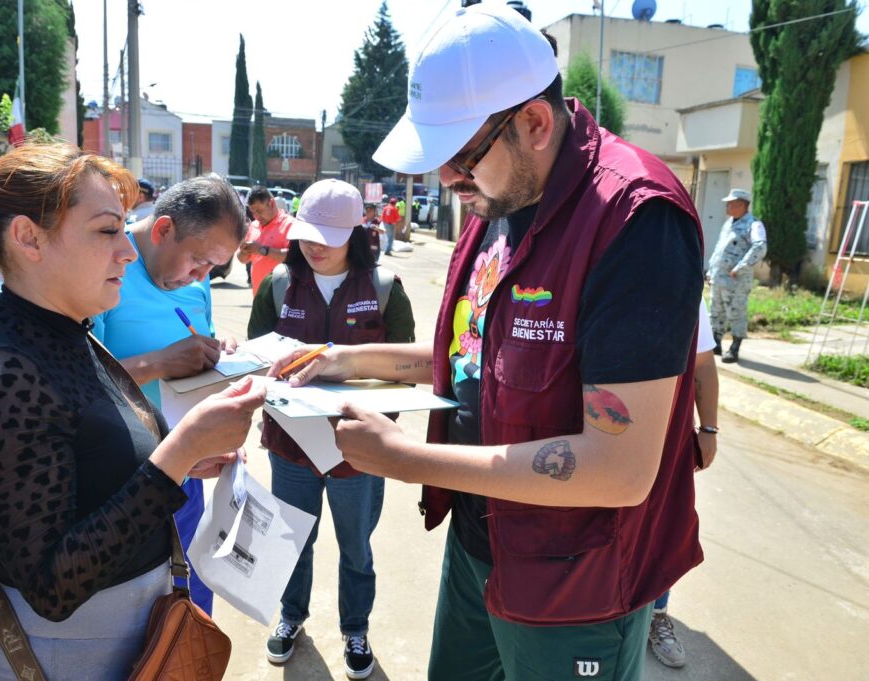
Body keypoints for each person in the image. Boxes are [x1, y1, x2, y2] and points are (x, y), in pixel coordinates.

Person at [270, 6, 705, 680]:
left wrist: (405, 459)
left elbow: (620, 466)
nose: (447, 179)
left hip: (575, 585)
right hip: (480, 545)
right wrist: (342, 358)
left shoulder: (635, 221)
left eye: (462, 156)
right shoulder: (494, 207)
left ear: (533, 122)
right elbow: (469, 354)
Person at [0, 143, 266, 681]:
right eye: (108, 231)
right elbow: (52, 585)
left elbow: (87, 464)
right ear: (28, 238)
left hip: (124, 648)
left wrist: (188, 458)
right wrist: (178, 454)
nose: (128, 253)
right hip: (64, 659)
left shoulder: (65, 332)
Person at [248, 179, 415, 680]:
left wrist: (375, 432)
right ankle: (291, 617)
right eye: (306, 234)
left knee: (356, 548)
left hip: (356, 454)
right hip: (290, 447)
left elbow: (404, 371)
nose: (313, 246)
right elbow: (256, 360)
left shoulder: (385, 290)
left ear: (357, 234)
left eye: (328, 236)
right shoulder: (278, 284)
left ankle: (355, 628)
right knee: (292, 538)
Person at [92, 175, 248, 615]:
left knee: (191, 612)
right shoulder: (105, 273)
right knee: (138, 615)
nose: (200, 278)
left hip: (189, 472)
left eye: (212, 270)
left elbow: (200, 340)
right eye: (197, 263)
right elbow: (80, 383)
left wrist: (221, 349)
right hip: (125, 478)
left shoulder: (194, 282)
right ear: (163, 230)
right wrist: (160, 362)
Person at [649, 298, 720, 668]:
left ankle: (657, 614)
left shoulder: (677, 268)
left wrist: (708, 428)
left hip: (666, 438)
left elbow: (703, 363)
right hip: (594, 433)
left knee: (664, 527)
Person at [707, 188, 767, 363]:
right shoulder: (729, 223)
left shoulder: (753, 225)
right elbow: (720, 248)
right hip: (719, 278)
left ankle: (734, 348)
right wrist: (711, 270)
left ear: (741, 204)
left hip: (736, 281)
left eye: (731, 203)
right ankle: (716, 343)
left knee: (736, 312)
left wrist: (741, 267)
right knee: (716, 311)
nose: (727, 206)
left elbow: (760, 246)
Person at [238, 186, 294, 296]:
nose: (256, 216)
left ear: (272, 203)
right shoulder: (253, 226)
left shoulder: (289, 224)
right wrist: (243, 252)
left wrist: (261, 250)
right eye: (253, 212)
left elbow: (292, 256)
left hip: (282, 296)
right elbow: (242, 259)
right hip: (258, 296)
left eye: (259, 211)